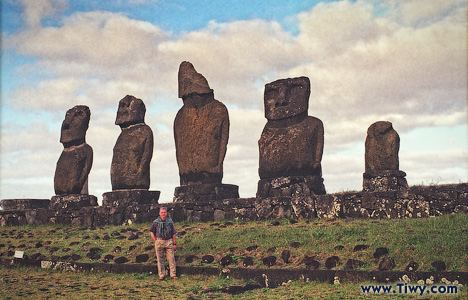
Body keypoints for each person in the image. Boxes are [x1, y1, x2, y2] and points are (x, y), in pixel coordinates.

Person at [149, 207, 177, 280]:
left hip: (168, 241)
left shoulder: (170, 222)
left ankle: (173, 274)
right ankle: (161, 275)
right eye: (162, 212)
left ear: (166, 213)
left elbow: (173, 233)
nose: (163, 214)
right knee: (160, 259)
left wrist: (174, 243)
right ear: (159, 213)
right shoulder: (156, 222)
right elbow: (151, 231)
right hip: (159, 241)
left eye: (164, 212)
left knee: (171, 258)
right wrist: (155, 241)